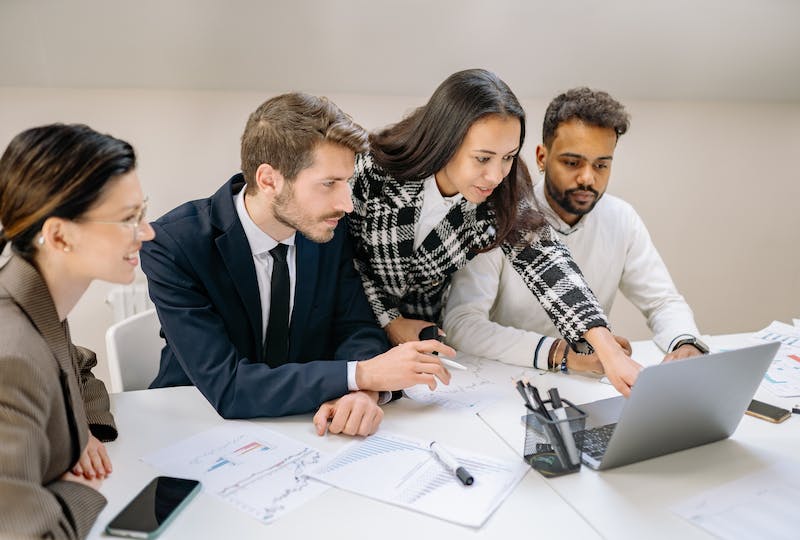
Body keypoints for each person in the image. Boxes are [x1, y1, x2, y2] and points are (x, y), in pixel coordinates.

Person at [140, 92, 453, 435]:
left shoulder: (325, 226)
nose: (347, 204)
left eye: (346, 182)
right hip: (193, 427)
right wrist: (362, 375)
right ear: (269, 180)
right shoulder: (174, 245)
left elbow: (356, 326)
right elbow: (229, 386)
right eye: (329, 184)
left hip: (303, 427)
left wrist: (362, 393)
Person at [348, 69, 641, 397]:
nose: (495, 175)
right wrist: (390, 321)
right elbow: (345, 259)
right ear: (445, 141)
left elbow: (548, 261)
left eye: (508, 158)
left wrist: (607, 350)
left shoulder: (503, 191)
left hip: (425, 338)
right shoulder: (374, 172)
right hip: (352, 324)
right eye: (483, 158)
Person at [444, 87, 705, 373]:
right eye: (572, 162)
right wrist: (561, 353)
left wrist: (685, 343)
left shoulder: (622, 219)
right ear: (542, 157)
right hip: (501, 382)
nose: (587, 178)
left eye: (601, 165)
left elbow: (662, 301)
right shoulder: (500, 214)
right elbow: (463, 323)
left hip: (587, 384)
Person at [0, 123, 152, 538]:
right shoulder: (11, 356)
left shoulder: (35, 297)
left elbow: (76, 366)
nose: (147, 233)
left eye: (143, 212)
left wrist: (82, 430)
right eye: (128, 219)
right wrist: (81, 490)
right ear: (59, 235)